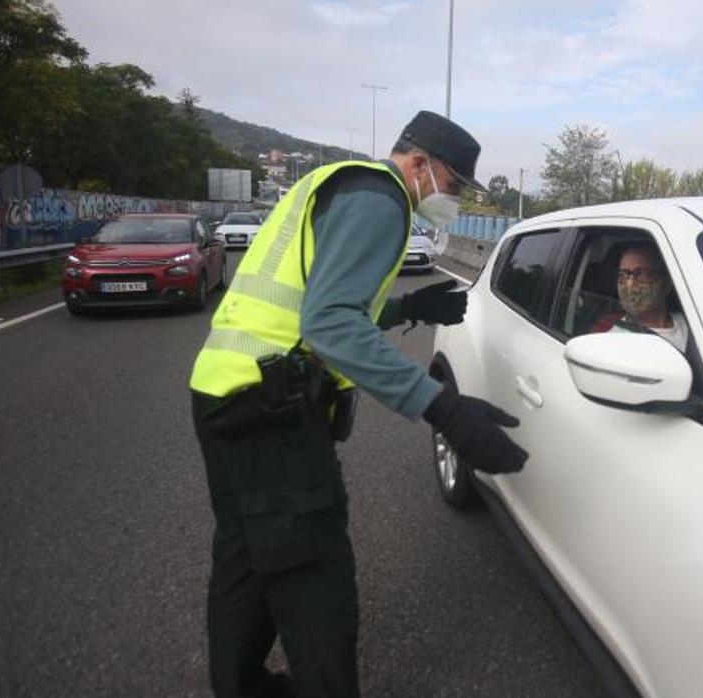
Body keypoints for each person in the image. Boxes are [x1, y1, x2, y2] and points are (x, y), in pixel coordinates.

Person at [188, 111, 528, 698]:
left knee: (246, 560)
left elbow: (318, 301)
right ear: (419, 164)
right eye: (452, 185)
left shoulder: (343, 184)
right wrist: (442, 409)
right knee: (314, 580)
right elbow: (329, 324)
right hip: (270, 413)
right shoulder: (381, 200)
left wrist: (408, 310)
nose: (451, 198)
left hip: (226, 392)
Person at [590, 243, 689, 351]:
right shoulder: (610, 338)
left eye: (641, 274)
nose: (629, 284)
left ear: (666, 283)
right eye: (623, 275)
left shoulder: (691, 323)